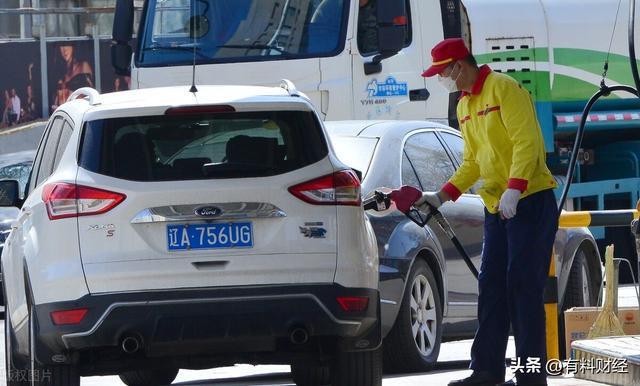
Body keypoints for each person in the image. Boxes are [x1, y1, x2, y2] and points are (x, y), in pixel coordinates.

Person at [418, 38, 558, 386]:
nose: (441, 79)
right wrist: (442, 195)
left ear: (459, 67)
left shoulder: (504, 90)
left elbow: (527, 141)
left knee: (522, 287)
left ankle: (530, 377)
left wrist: (516, 186)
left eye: (442, 72)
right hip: (498, 206)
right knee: (492, 286)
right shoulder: (464, 105)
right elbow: (472, 162)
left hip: (531, 200)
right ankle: (487, 371)